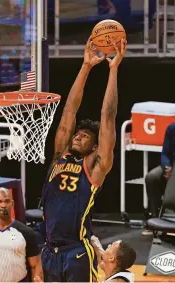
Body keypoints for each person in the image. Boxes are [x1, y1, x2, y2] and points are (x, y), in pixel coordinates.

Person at [40, 38, 127, 282]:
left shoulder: (95, 166)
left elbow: (108, 116)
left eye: (85, 136)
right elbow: (69, 111)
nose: (77, 136)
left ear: (95, 146)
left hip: (77, 252)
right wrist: (86, 67)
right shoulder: (60, 155)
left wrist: (113, 71)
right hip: (49, 250)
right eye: (77, 133)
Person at [143, 122, 175, 236]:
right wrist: (166, 167)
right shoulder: (172, 128)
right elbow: (165, 153)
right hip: (172, 166)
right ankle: (155, 217)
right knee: (152, 177)